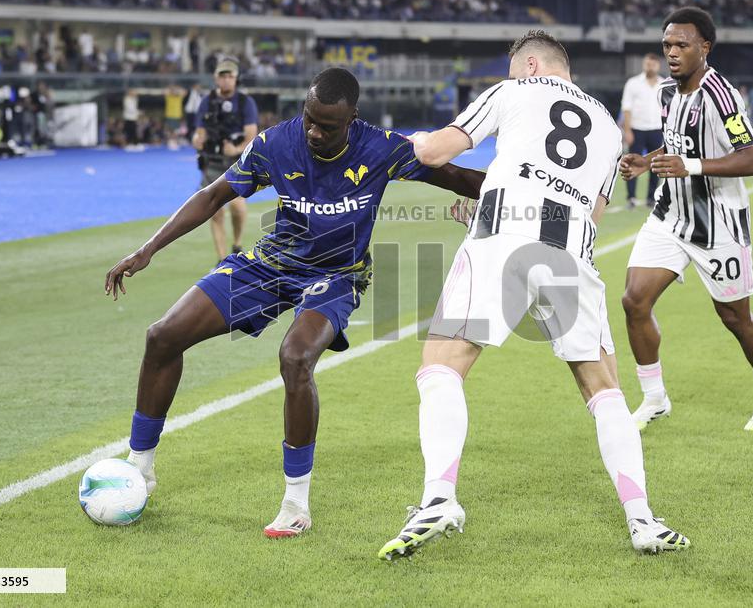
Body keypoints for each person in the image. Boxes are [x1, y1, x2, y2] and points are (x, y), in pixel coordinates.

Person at [104, 68, 485, 539]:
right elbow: (212, 195)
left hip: (337, 276)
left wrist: (529, 194)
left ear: (352, 120)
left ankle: (295, 502)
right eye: (310, 120)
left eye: (327, 126)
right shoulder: (274, 143)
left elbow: (458, 177)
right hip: (272, 263)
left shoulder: (382, 147)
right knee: (162, 336)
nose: (314, 132)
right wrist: (147, 250)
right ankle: (140, 469)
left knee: (296, 357)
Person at [378, 31, 689, 561]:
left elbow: (433, 152)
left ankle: (438, 499)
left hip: (503, 239)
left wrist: (398, 142)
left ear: (529, 62)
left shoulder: (513, 90)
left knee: (442, 367)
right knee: (603, 389)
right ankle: (643, 520)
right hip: (572, 251)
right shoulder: (610, 130)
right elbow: (592, 213)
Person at [619, 7, 753, 433]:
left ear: (704, 48)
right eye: (667, 45)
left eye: (682, 45)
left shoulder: (723, 96)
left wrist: (690, 167)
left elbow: (752, 159)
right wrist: (648, 162)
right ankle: (654, 398)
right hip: (669, 215)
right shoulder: (666, 94)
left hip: (719, 224)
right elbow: (677, 143)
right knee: (634, 300)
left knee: (735, 318)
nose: (672, 53)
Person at [191, 57, 257, 261]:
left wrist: (235, 148)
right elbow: (199, 132)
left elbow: (252, 137)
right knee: (215, 212)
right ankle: (221, 260)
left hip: (237, 163)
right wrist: (197, 140)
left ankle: (236, 244)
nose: (227, 80)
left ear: (236, 79)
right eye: (223, 75)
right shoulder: (207, 102)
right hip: (211, 161)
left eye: (231, 76)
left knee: (237, 207)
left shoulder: (245, 103)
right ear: (216, 78)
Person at [620, 52, 665, 209]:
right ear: (643, 65)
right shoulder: (633, 83)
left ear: (658, 65)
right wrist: (628, 131)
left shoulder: (664, 84)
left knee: (656, 165)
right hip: (637, 129)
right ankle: (631, 197)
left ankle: (651, 198)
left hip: (657, 130)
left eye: (652, 64)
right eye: (647, 63)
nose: (649, 66)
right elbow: (626, 108)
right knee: (632, 163)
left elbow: (668, 109)